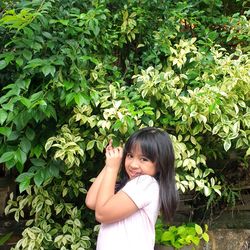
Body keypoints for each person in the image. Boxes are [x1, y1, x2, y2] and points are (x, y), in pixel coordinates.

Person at [85, 127, 178, 250]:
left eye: (144, 159)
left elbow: (102, 214)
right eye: (130, 155)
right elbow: (91, 202)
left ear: (161, 163)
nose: (133, 164)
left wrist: (112, 168)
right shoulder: (131, 185)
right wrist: (109, 165)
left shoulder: (146, 184)